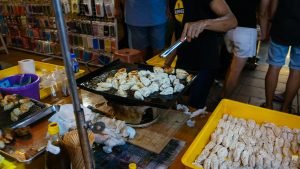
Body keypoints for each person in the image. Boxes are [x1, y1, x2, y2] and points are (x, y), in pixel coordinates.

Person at [165, 0, 237, 113]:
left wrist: (204, 23)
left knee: (195, 107)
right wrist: (168, 58)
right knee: (180, 101)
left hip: (205, 62)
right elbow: (179, 28)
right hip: (183, 60)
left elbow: (232, 21)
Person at [221, 0, 269, 99]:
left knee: (232, 66)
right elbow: (263, 13)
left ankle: (223, 94)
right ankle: (224, 100)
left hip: (227, 28)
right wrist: (264, 32)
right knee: (235, 71)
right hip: (246, 31)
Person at [262, 0, 300, 113]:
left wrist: (274, 20)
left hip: (282, 25)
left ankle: (268, 105)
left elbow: (274, 4)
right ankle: (285, 108)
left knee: (274, 66)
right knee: (297, 69)